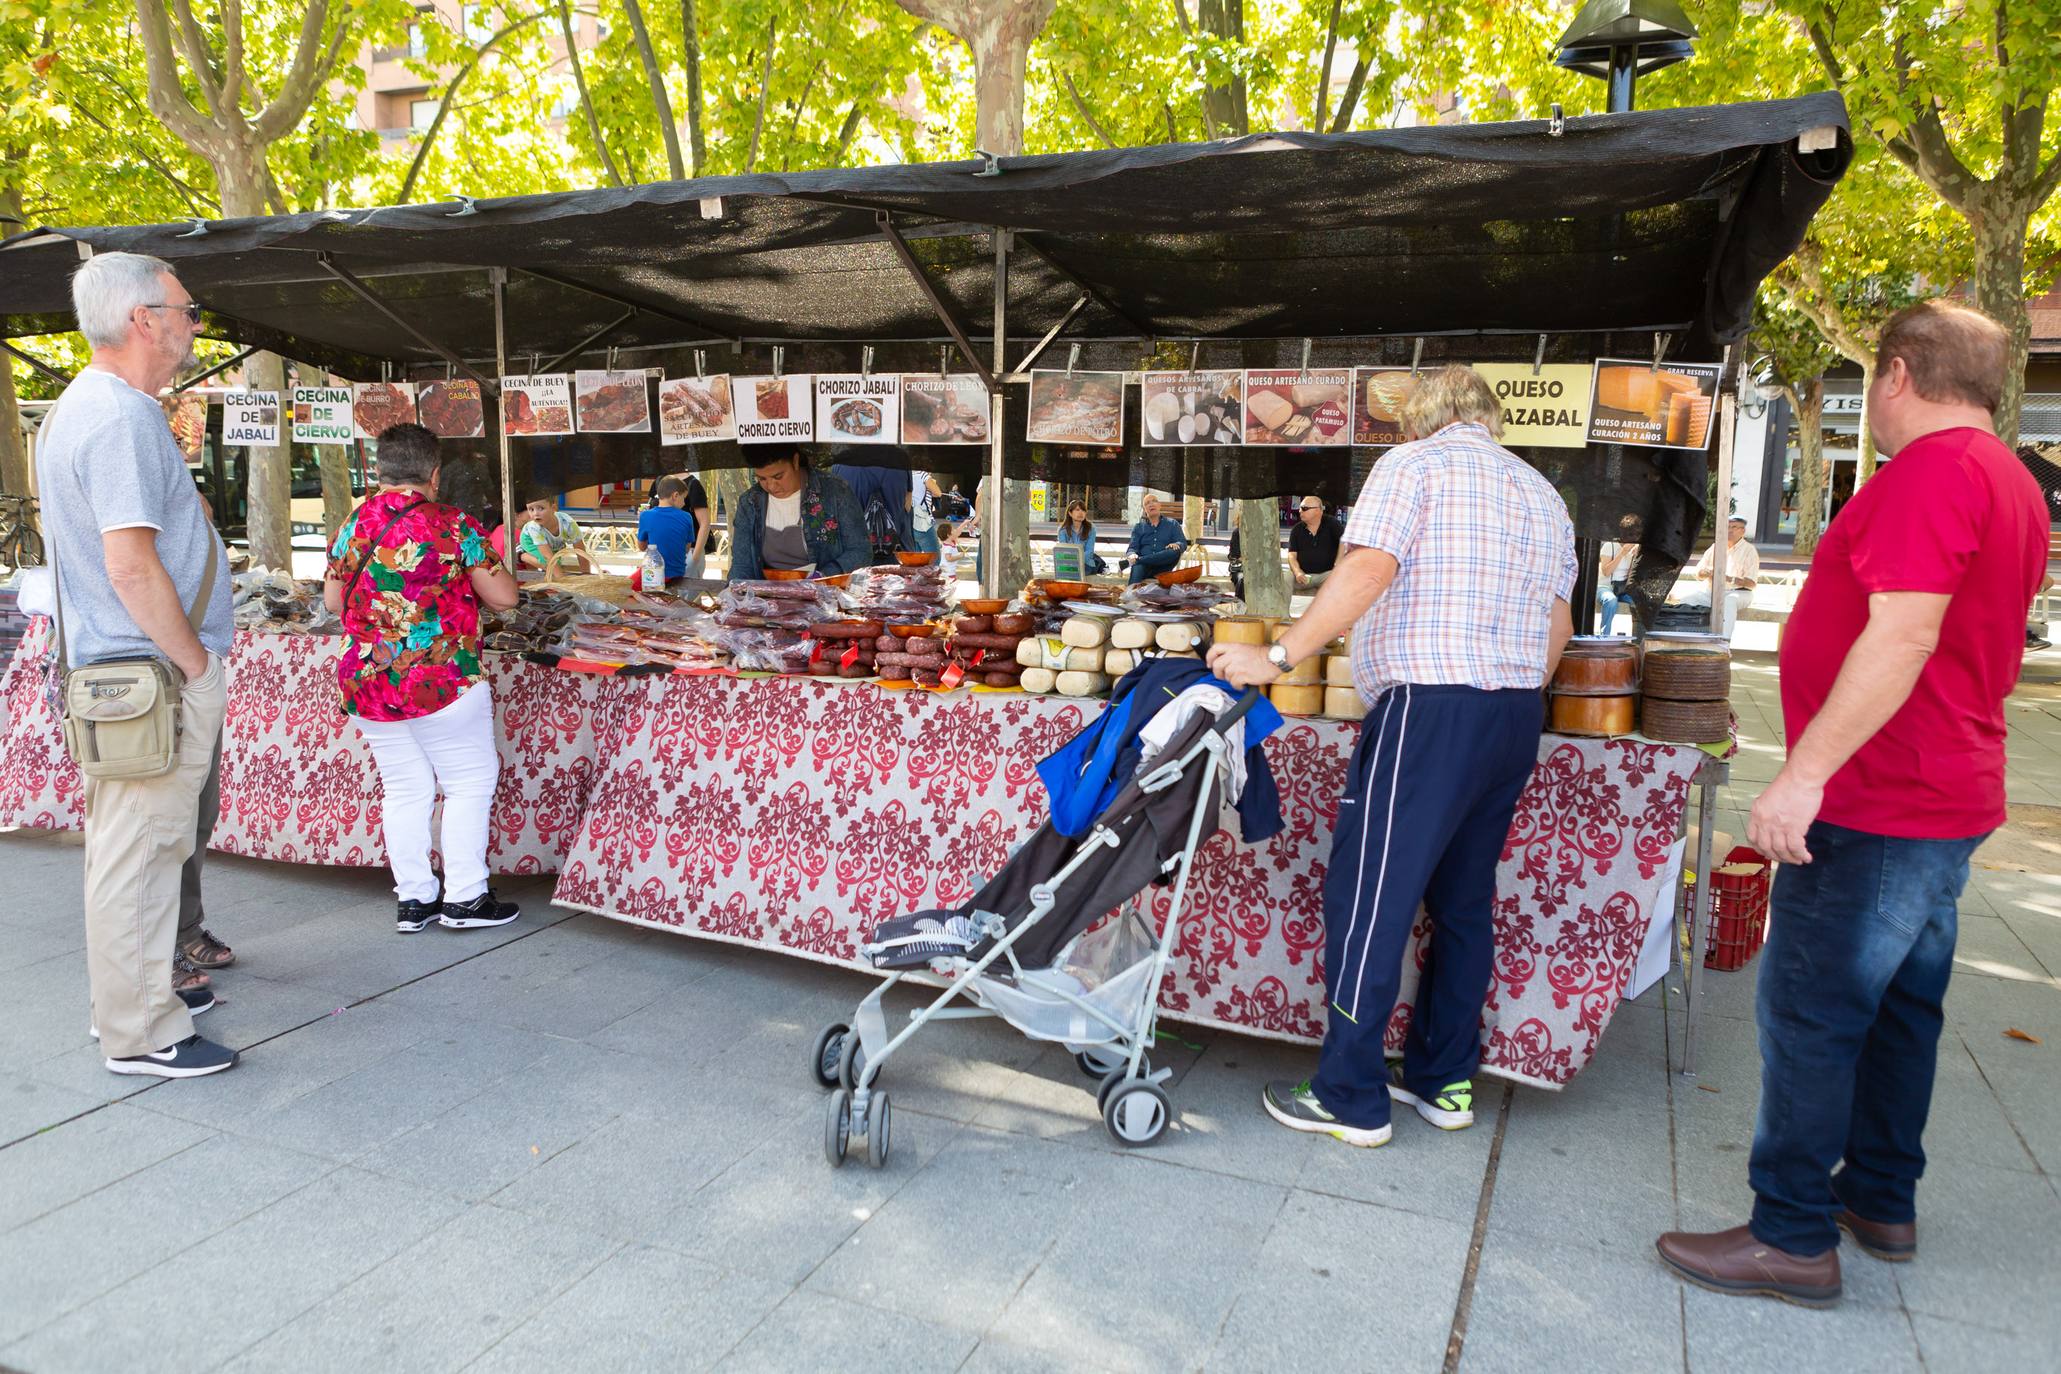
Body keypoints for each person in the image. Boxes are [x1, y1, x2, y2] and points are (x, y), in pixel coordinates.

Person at [1656, 301, 2047, 1307]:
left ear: (1901, 375)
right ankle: (1879, 1197)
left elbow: (1905, 636)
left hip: (1884, 794)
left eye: (1874, 380)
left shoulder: (1933, 473)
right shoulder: (2009, 477)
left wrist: (1803, 774)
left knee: (1812, 1013)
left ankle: (1790, 1233)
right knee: (1900, 1010)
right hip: (1946, 786)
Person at [1207, 364, 1576, 1149]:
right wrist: (1509, 692)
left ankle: (1348, 1093)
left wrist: (1276, 658)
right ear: (1488, 418)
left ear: (1417, 421)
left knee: (1368, 895)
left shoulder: (1411, 465)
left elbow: (1367, 569)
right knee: (1463, 903)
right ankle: (1443, 1080)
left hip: (1428, 710)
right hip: (1512, 712)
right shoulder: (1541, 493)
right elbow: (1557, 622)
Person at [37, 251, 238, 1079]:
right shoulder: (119, 417)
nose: (195, 326)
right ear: (142, 320)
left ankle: (138, 996)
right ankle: (139, 1029)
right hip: (149, 675)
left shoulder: (88, 408)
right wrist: (192, 663)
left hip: (130, 672)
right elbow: (128, 564)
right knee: (143, 853)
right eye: (187, 310)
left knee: (139, 849)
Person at [325, 423, 522, 934]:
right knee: (467, 783)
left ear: (377, 470)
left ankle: (414, 900)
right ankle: (465, 898)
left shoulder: (354, 522)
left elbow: (331, 600)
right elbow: (505, 598)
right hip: (442, 678)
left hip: (367, 678)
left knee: (404, 788)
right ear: (435, 474)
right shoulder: (454, 525)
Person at [727, 448, 871, 580]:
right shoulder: (750, 502)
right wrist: (733, 594)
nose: (771, 486)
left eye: (778, 476)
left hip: (826, 596)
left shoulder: (835, 491)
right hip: (769, 599)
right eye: (762, 479)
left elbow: (860, 550)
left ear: (795, 461)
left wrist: (823, 576)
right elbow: (742, 565)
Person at [1681, 517, 1759, 639]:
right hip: (1711, 592)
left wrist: (1728, 579)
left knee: (1729, 602)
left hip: (1739, 593)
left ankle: (1723, 641)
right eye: (1727, 527)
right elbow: (1698, 573)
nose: (1729, 530)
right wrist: (1706, 572)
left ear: (1742, 531)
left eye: (1734, 527)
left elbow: (1752, 583)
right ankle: (1688, 637)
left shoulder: (1749, 550)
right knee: (1687, 600)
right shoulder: (1715, 547)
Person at [637, 476, 699, 587]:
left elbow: (641, 547)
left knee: (622, 587)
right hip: (678, 573)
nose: (684, 503)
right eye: (683, 498)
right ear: (675, 496)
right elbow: (686, 548)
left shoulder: (646, 515)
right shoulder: (686, 517)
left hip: (654, 574)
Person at [1123, 493, 1189, 584]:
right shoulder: (1139, 527)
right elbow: (1132, 548)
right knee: (1137, 566)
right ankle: (1130, 595)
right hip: (1143, 567)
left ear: (1159, 505)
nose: (1151, 504)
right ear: (1145, 510)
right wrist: (1132, 554)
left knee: (1174, 551)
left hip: (1164, 566)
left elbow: (1183, 543)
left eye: (1154, 501)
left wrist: (1177, 544)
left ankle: (1138, 560)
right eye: (1147, 503)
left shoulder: (1172, 524)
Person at [517, 497, 595, 574]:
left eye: (541, 508)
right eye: (531, 509)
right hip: (529, 541)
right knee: (548, 564)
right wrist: (561, 581)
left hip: (553, 543)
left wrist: (586, 574)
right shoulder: (534, 527)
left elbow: (580, 550)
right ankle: (521, 554)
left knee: (556, 564)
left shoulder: (567, 522)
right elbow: (548, 557)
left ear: (553, 508)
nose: (535, 513)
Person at [1288, 496, 1345, 590]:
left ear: (1318, 510)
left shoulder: (1331, 523)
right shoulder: (1297, 529)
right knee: (1286, 577)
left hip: (1326, 575)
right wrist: (1297, 572)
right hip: (1303, 576)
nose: (1300, 511)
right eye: (1300, 508)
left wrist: (1337, 564)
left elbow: (1344, 541)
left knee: (1338, 579)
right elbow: (1291, 555)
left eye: (1304, 508)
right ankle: (1275, 605)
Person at [1597, 527, 1639, 634]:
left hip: (1622, 589)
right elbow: (1606, 571)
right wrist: (1622, 553)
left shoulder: (1634, 548)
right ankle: (1604, 636)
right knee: (1611, 600)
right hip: (1605, 586)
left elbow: (1631, 576)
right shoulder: (1609, 546)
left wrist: (1636, 557)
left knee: (1641, 602)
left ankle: (1638, 638)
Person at [1055, 499, 1107, 576]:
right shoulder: (1062, 530)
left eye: (1083, 510)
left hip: (1085, 563)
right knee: (1066, 572)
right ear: (1070, 513)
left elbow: (1089, 551)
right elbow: (1063, 551)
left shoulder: (1091, 528)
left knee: (1077, 572)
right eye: (1077, 510)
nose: (1081, 513)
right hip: (1068, 564)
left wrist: (1076, 561)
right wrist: (1071, 562)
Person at [909, 468, 945, 555]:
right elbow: (938, 493)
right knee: (934, 558)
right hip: (923, 522)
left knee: (915, 559)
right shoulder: (924, 475)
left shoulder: (908, 475)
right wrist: (933, 482)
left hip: (910, 521)